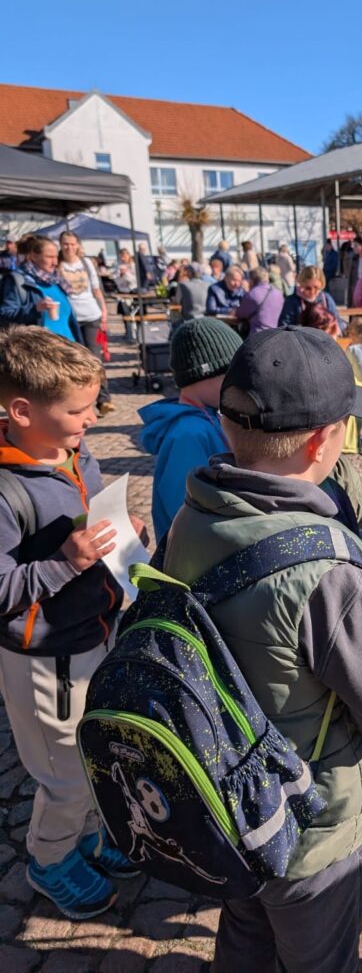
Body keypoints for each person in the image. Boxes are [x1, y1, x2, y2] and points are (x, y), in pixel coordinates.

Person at [158, 327, 362, 972]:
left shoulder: (193, 514)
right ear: (323, 441)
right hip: (307, 820)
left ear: (227, 423)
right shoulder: (327, 568)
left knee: (245, 930)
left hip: (222, 794)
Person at [0, 327, 145, 919]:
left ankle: (85, 837)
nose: (92, 418)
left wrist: (122, 533)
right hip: (45, 659)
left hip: (92, 633)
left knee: (92, 755)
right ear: (22, 412)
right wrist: (66, 562)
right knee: (65, 775)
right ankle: (49, 860)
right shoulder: (7, 490)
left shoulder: (76, 452)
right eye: (78, 410)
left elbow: (90, 523)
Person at [139, 318, 243, 541]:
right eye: (230, 374)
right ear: (203, 374)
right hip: (200, 551)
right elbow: (186, 512)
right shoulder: (187, 434)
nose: (238, 383)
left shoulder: (209, 418)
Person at [58, 232, 114, 416]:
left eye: (72, 243)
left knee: (94, 358)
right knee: (73, 361)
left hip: (91, 315)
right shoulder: (58, 265)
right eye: (65, 244)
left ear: (78, 245)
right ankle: (79, 402)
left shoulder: (86, 263)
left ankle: (104, 399)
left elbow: (96, 289)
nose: (69, 247)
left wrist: (104, 311)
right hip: (70, 317)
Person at [0, 236, 80, 341]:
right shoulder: (18, 280)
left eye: (56, 257)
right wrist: (35, 309)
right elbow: (5, 313)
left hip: (68, 345)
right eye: (49, 257)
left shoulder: (58, 280)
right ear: (34, 256)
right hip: (41, 348)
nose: (55, 262)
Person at [278, 265, 344, 329]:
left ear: (322, 285)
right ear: (301, 284)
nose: (312, 292)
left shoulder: (326, 299)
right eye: (308, 288)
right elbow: (284, 326)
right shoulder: (292, 301)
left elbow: (337, 321)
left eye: (316, 288)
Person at [235, 267, 283, 334]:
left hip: (256, 335)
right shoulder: (279, 294)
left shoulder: (251, 294)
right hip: (273, 335)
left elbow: (240, 314)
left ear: (251, 281)